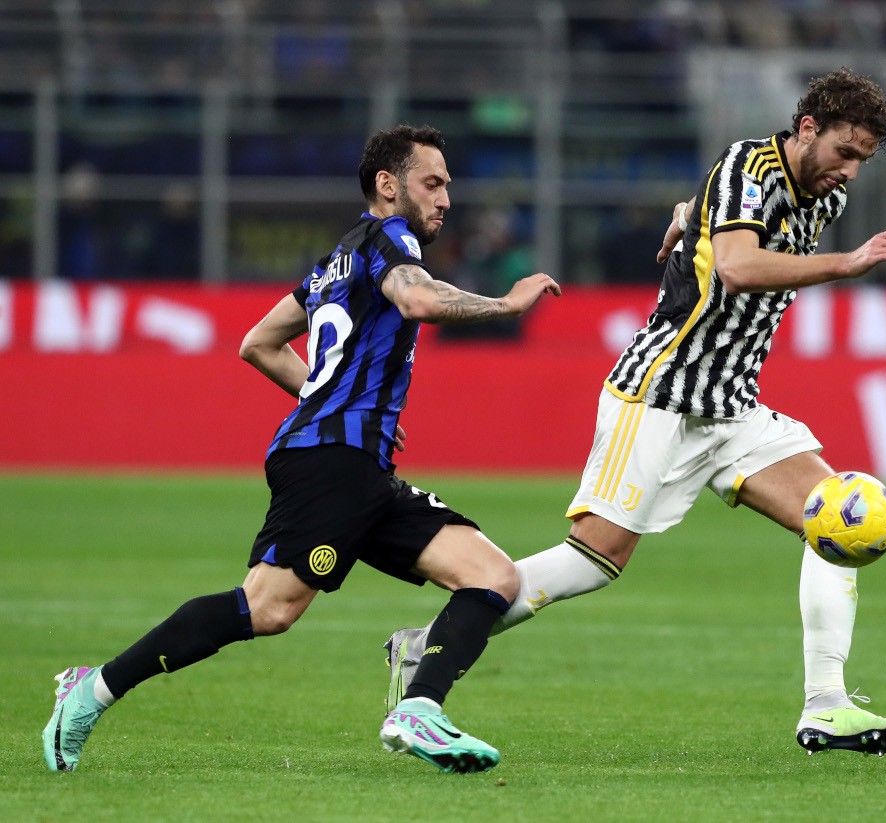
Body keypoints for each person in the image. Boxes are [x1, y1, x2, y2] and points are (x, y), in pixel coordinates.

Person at [385, 69, 886, 757]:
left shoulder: (822, 193)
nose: (848, 171)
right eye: (844, 152)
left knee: (837, 519)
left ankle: (827, 704)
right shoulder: (747, 164)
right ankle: (428, 646)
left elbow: (719, 217)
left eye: (862, 161)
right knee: (593, 561)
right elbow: (737, 266)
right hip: (660, 392)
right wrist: (844, 266)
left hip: (730, 406)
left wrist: (688, 211)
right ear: (807, 128)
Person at [41, 124, 561, 775]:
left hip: (357, 461)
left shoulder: (336, 260)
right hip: (330, 461)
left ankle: (419, 706)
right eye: (433, 183)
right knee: (267, 606)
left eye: (448, 185)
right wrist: (505, 305)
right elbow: (419, 297)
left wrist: (331, 394)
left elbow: (257, 342)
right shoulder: (390, 239)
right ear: (387, 184)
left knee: (492, 575)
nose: (446, 198)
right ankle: (90, 689)